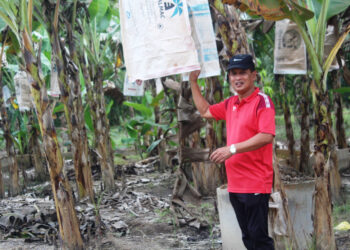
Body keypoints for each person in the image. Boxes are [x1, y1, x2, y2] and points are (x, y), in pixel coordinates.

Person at [189, 54, 275, 250]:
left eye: (243, 73)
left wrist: (232, 149)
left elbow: (266, 135)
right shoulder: (230, 103)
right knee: (247, 237)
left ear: (253, 75)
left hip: (255, 181)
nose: (237, 78)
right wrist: (193, 82)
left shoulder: (262, 102)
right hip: (235, 183)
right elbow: (205, 111)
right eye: (233, 73)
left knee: (259, 238)